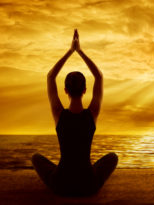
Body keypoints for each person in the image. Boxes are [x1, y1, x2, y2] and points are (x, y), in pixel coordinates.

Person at [31, 29, 118, 196]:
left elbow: (50, 77)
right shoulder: (92, 113)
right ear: (85, 90)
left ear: (65, 90)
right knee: (113, 157)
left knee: (36, 157)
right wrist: (80, 51)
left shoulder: (58, 113)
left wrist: (70, 51)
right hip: (88, 185)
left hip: (60, 184)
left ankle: (66, 171)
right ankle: (83, 171)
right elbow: (99, 76)